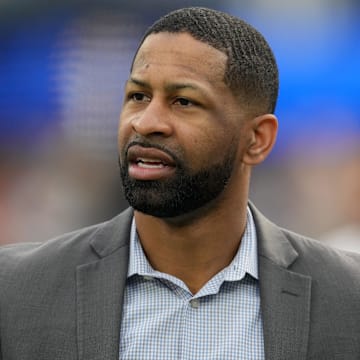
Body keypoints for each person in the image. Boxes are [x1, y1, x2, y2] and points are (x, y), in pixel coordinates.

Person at [0, 7, 359, 360]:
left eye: (184, 101)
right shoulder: (16, 291)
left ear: (257, 140)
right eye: (138, 96)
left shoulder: (346, 299)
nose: (146, 122)